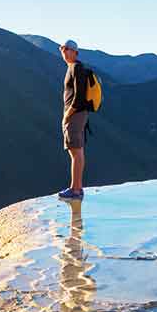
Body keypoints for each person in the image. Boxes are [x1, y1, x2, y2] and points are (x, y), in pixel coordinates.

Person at [58, 39, 88, 200]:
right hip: (77, 114)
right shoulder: (72, 67)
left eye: (68, 49)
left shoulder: (76, 68)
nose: (64, 51)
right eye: (62, 48)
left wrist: (68, 113)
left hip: (75, 114)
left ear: (75, 52)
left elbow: (80, 95)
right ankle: (76, 187)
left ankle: (75, 190)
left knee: (75, 151)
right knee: (76, 151)